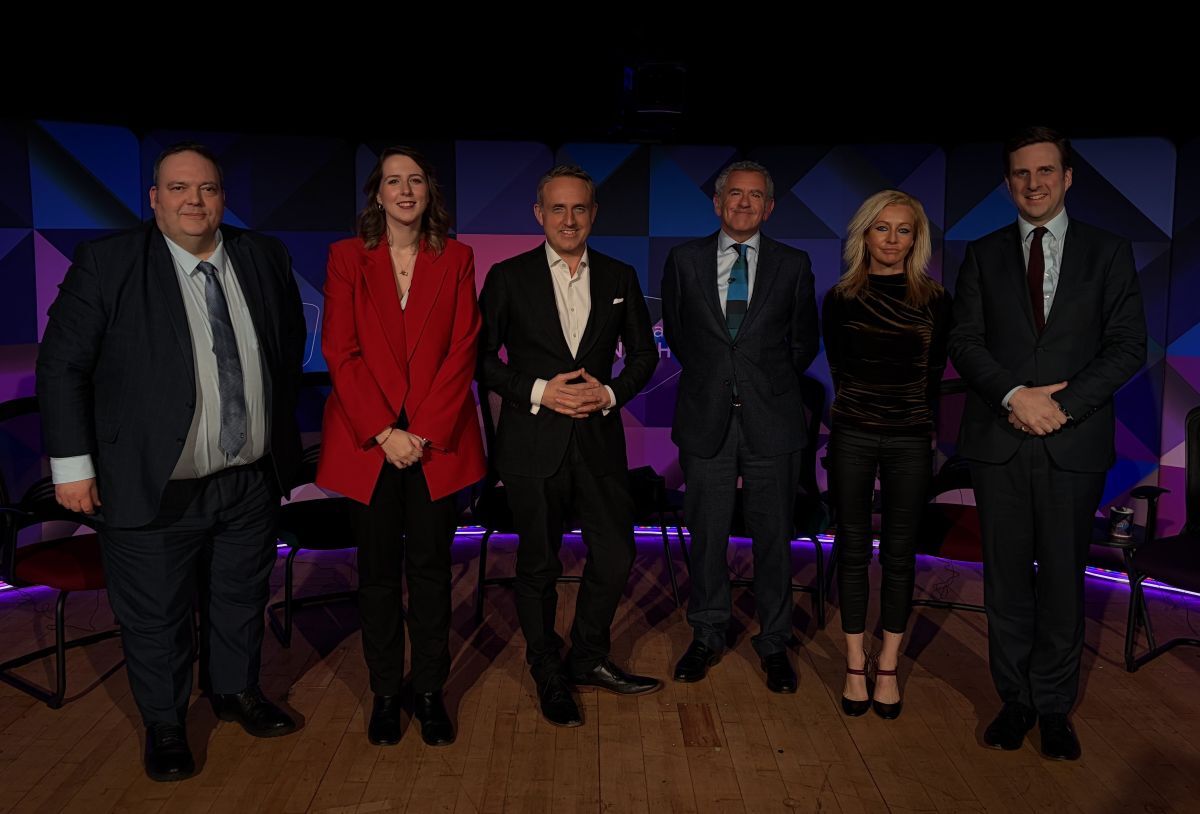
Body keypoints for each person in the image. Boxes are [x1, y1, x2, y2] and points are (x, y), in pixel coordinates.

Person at [37, 142, 306, 781]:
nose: (194, 201)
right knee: (156, 616)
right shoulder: (109, 262)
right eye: (179, 188)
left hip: (248, 478)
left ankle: (236, 692)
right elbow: (62, 366)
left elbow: (287, 344)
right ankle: (165, 723)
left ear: (223, 198)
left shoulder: (262, 254)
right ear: (154, 198)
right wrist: (73, 467)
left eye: (207, 188)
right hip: (153, 483)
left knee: (241, 597)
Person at [949, 126, 1146, 760]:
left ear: (1067, 177)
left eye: (1044, 171)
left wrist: (1060, 404)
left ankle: (1055, 706)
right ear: (1008, 182)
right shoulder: (982, 253)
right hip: (999, 438)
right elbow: (965, 342)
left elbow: (1128, 346)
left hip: (1073, 439)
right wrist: (1015, 396)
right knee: (1005, 580)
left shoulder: (1108, 252)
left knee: (1063, 578)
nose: (1033, 183)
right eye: (1021, 173)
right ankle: (1016, 700)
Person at [477, 165, 660, 727]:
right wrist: (540, 390)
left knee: (616, 553)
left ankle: (587, 657)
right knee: (538, 564)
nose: (569, 219)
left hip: (599, 441)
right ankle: (546, 670)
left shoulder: (620, 275)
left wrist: (609, 393)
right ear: (540, 215)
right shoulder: (508, 277)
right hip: (533, 443)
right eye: (557, 208)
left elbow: (644, 355)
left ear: (593, 214)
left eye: (579, 208)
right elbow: (480, 359)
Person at [317, 147, 486, 747]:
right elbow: (340, 350)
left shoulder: (458, 258)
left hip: (436, 443)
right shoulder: (346, 258)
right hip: (371, 444)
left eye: (416, 180)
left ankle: (431, 691)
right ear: (378, 193)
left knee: (433, 573)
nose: (406, 190)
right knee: (378, 575)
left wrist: (423, 432)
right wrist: (385, 433)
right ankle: (387, 692)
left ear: (429, 192)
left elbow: (463, 348)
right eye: (394, 180)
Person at [662, 160, 819, 693]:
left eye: (755, 195)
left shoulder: (794, 264)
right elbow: (679, 334)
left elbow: (804, 342)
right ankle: (707, 633)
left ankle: (774, 642)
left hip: (772, 420)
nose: (744, 203)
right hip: (705, 416)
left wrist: (761, 384)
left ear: (769, 207)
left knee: (774, 537)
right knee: (706, 535)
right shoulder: (684, 260)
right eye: (735, 193)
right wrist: (718, 379)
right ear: (717, 202)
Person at [822, 190, 952, 719]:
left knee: (900, 553)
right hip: (852, 433)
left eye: (904, 229)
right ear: (864, 235)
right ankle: (856, 663)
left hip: (910, 438)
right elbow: (838, 369)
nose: (893, 239)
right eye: (883, 228)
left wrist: (921, 427)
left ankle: (890, 664)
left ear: (916, 239)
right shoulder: (839, 298)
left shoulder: (936, 300)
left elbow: (935, 373)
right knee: (853, 549)